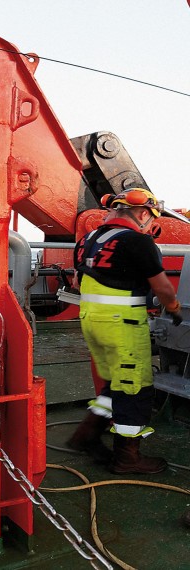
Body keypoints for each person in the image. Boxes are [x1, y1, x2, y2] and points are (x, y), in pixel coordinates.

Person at [65, 188, 182, 474]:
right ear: (143, 214)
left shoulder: (87, 240)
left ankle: (87, 434)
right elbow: (163, 288)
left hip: (92, 322)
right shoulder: (137, 242)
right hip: (123, 326)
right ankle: (127, 458)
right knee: (135, 389)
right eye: (150, 219)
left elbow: (78, 283)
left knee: (113, 383)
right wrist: (176, 309)